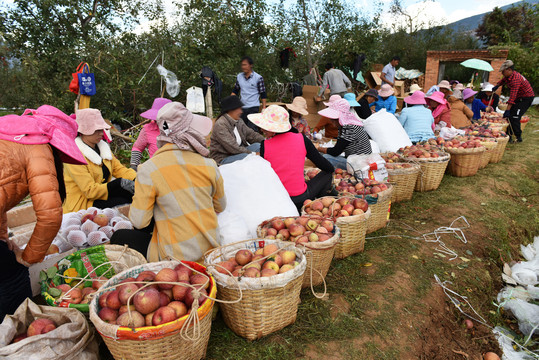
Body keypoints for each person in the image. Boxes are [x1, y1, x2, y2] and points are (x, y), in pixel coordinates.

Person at [0, 105, 86, 320]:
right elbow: (50, 216)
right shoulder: (38, 148)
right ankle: (15, 334)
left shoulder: (8, 140)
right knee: (14, 280)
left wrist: (3, 240)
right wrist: (28, 258)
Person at [113, 102, 226, 262]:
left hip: (176, 258)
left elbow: (139, 222)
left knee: (120, 235)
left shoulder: (149, 170)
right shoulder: (209, 164)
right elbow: (221, 206)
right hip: (212, 252)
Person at [247, 105, 334, 211]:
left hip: (279, 200)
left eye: (264, 126)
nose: (261, 129)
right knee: (327, 174)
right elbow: (327, 167)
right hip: (301, 198)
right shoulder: (302, 139)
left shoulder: (265, 145)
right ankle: (316, 207)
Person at [63, 108, 137, 213]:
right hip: (83, 203)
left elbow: (120, 170)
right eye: (97, 130)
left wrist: (138, 178)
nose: (101, 133)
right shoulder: (73, 157)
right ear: (83, 131)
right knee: (124, 199)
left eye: (102, 129)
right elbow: (90, 191)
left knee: (133, 195)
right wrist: (118, 183)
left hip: (100, 196)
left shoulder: (103, 149)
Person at [315, 99, 372, 169]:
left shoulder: (349, 127)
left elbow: (335, 151)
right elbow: (338, 147)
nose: (331, 120)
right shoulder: (344, 126)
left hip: (359, 163)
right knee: (323, 155)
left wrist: (317, 148)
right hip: (354, 159)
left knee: (326, 157)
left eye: (333, 119)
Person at [210, 95, 264, 165]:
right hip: (223, 158)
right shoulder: (221, 124)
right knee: (247, 158)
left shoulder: (239, 121)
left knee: (258, 146)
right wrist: (253, 154)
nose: (241, 111)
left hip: (238, 153)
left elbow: (251, 135)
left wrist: (267, 143)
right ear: (230, 109)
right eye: (239, 108)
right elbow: (232, 147)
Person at [493, 60, 534, 142]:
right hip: (519, 98)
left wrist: (507, 110)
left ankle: (518, 137)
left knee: (515, 117)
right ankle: (509, 135)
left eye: (503, 72)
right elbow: (504, 80)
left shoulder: (515, 79)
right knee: (510, 116)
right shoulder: (509, 76)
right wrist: (497, 85)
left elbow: (513, 96)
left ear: (509, 70)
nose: (502, 74)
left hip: (525, 98)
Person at [130, 97, 172, 170]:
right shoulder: (147, 129)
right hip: (155, 170)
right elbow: (137, 147)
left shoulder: (177, 129)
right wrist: (134, 165)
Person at [231, 56, 267, 131]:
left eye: (245, 65)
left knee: (252, 129)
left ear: (251, 65)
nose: (243, 67)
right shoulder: (239, 76)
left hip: (253, 107)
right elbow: (236, 90)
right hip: (242, 107)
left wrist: (264, 108)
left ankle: (254, 143)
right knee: (241, 129)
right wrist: (230, 101)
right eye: (242, 65)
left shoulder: (258, 78)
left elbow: (263, 93)